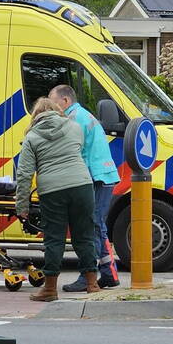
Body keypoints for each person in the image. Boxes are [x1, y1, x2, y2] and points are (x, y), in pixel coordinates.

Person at [15, 97, 99, 302]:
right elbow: (78, 149)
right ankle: (92, 284)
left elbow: (24, 173)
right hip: (82, 185)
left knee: (54, 239)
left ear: (35, 115)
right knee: (85, 235)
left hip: (52, 190)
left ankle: (50, 289)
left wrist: (22, 206)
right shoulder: (74, 127)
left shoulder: (32, 136)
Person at [49, 84, 122, 291]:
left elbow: (73, 152)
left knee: (89, 227)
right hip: (103, 174)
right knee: (98, 225)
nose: (52, 107)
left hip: (94, 176)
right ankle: (108, 273)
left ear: (65, 101)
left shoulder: (73, 120)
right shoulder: (84, 115)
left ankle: (86, 276)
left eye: (54, 102)